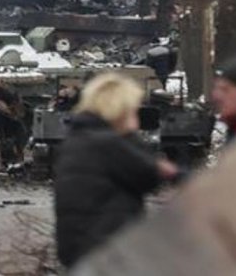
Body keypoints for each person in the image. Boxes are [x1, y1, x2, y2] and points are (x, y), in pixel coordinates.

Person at [54, 72, 180, 269]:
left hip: (83, 250)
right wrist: (130, 135)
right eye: (131, 109)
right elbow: (149, 176)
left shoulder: (79, 139)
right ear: (119, 109)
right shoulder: (107, 143)